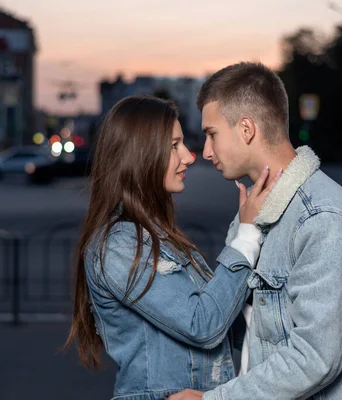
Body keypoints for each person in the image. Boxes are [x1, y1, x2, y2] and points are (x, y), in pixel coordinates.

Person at [169, 62, 342, 400]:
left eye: (211, 134)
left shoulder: (323, 218)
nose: (205, 152)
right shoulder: (250, 217)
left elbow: (316, 358)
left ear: (247, 129)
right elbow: (245, 332)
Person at [64, 95, 281, 400]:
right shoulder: (117, 245)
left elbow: (225, 317)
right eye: (173, 146)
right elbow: (203, 324)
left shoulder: (157, 235)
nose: (189, 157)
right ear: (141, 155)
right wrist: (246, 235)